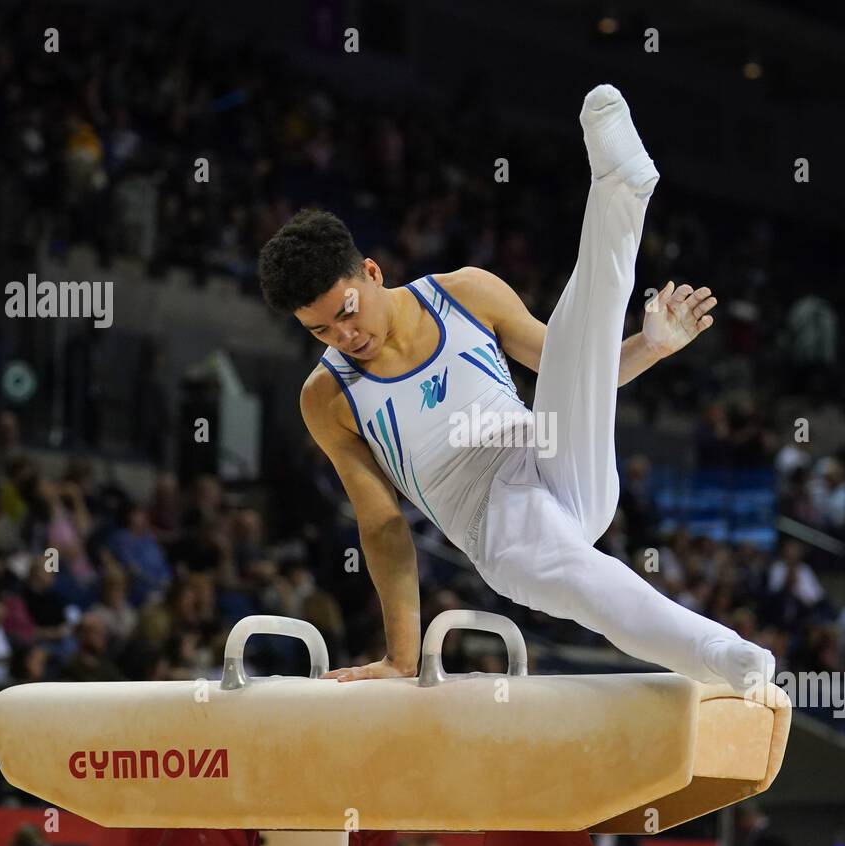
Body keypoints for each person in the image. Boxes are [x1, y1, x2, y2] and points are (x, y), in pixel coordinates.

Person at [258, 85, 773, 688]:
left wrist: (651, 345)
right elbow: (382, 525)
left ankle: (620, 190)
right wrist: (402, 656)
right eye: (320, 328)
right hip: (496, 523)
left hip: (552, 448)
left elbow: (578, 376)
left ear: (371, 272)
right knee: (592, 586)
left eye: (347, 310)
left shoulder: (465, 293)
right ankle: (722, 654)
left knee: (569, 338)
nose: (343, 335)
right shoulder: (327, 397)